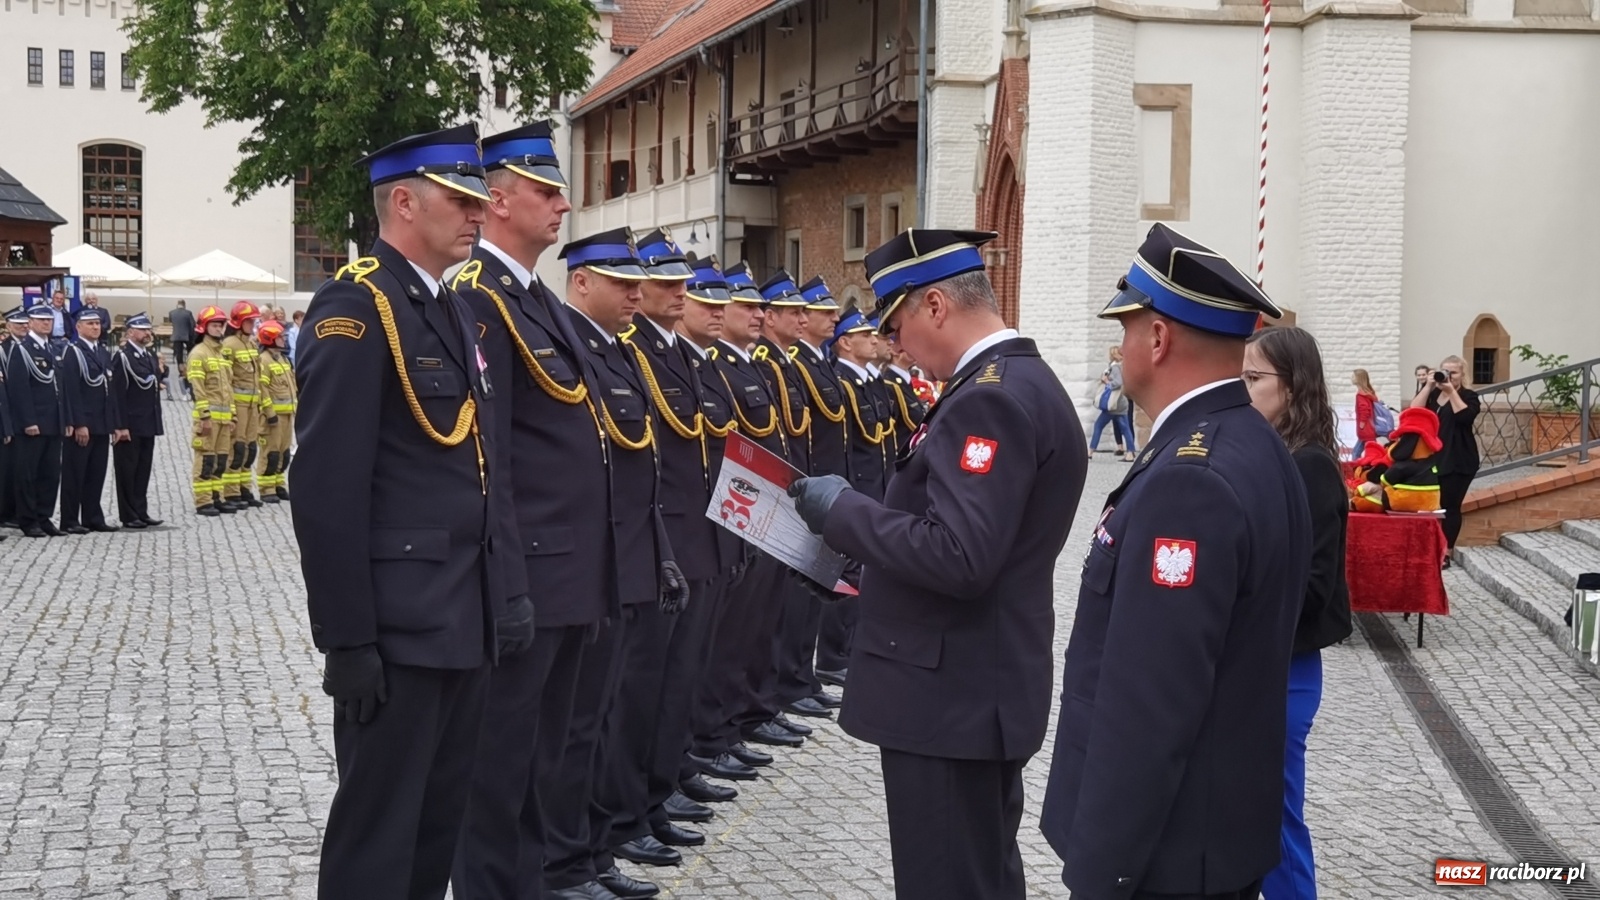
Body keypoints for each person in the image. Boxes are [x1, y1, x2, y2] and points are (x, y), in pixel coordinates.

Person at [787, 229, 1086, 900]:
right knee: (977, 878)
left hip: (953, 694)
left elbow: (960, 555)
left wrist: (845, 513)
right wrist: (861, 570)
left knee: (948, 883)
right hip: (977, 686)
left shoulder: (989, 397)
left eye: (895, 325)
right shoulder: (1022, 382)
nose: (894, 345)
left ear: (935, 305)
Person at [290, 123, 532, 900]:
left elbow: (482, 467)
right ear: (403, 201)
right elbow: (325, 489)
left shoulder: (451, 310)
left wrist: (508, 596)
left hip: (464, 619)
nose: (477, 215)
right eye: (461, 199)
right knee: (377, 841)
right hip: (399, 631)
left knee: (435, 832)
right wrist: (349, 639)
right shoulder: (357, 310)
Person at [1040, 223, 1311, 900]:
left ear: (1157, 338)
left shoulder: (1191, 476)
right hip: (1214, 840)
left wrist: (1104, 872)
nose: (1119, 342)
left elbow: (1150, 705)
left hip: (1169, 858)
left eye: (1126, 325)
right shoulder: (1252, 442)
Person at [447, 122, 629, 900]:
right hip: (531, 579)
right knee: (498, 773)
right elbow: (490, 459)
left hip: (571, 577)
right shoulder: (478, 298)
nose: (564, 205)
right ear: (497, 198)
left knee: (541, 764)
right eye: (547, 191)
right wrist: (509, 582)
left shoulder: (537, 302)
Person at [543, 228, 688, 894]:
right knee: (575, 728)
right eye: (623, 283)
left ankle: (594, 849)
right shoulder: (565, 344)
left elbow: (642, 468)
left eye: (639, 284)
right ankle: (567, 861)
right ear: (580, 282)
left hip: (626, 557)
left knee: (601, 718)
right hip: (585, 564)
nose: (638, 294)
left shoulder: (614, 351)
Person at [621, 230, 741, 868]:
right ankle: (628, 808)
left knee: (679, 677)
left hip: (700, 534)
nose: (676, 294)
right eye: (664, 284)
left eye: (679, 285)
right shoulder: (636, 352)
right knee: (644, 685)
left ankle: (660, 788)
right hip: (665, 537)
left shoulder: (691, 359)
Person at [690, 261, 811, 791]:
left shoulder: (752, 368)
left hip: (764, 511)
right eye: (749, 306)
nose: (755, 314)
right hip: (733, 515)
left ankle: (746, 715)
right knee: (726, 636)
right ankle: (716, 734)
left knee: (756, 625)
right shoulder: (716, 366)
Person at [1244, 326, 1353, 900]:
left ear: (1292, 388)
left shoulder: (1309, 466)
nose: (1244, 389)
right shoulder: (1277, 455)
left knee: (1275, 820)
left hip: (1285, 667)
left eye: (1254, 379)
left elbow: (1311, 585)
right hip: (1263, 663)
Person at [6, 306, 68, 537]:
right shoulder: (22, 350)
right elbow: (19, 390)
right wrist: (28, 421)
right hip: (33, 424)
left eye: (49, 320)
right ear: (30, 322)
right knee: (28, 474)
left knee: (50, 473)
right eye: (41, 320)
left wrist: (64, 420)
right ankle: (28, 519)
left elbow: (58, 388)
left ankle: (44, 517)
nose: (46, 324)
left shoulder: (51, 348)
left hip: (53, 422)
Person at [1411, 355, 1480, 555]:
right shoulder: (1433, 395)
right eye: (1445, 371)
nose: (1449, 376)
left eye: (1454, 372)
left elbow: (1465, 417)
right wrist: (1428, 386)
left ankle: (1446, 552)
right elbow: (1414, 411)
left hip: (1459, 459)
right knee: (1431, 506)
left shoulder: (1468, 396)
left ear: (1462, 374)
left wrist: (1451, 391)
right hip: (1433, 458)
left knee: (1450, 506)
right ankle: (1431, 548)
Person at [58, 312, 119, 534]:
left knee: (96, 472)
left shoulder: (101, 352)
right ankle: (70, 519)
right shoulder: (74, 352)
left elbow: (109, 391)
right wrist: (79, 423)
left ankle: (93, 516)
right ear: (78, 327)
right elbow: (71, 391)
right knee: (75, 473)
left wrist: (113, 424)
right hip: (84, 423)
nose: (96, 327)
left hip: (101, 423)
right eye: (90, 324)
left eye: (97, 323)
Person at [110, 313, 166, 528]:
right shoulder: (123, 357)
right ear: (130, 332)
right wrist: (120, 425)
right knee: (127, 470)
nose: (147, 333)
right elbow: (117, 395)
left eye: (148, 330)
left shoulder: (149, 355)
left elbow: (152, 385)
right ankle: (128, 514)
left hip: (147, 422)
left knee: (143, 469)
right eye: (142, 330)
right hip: (130, 424)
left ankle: (140, 510)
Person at [187, 305, 235, 516]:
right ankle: (203, 501)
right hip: (208, 419)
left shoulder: (221, 354)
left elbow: (229, 388)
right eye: (214, 325)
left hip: (224, 419)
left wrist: (233, 415)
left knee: (221, 460)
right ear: (204, 328)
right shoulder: (199, 354)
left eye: (220, 325)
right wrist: (205, 417)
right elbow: (198, 389)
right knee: (206, 460)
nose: (219, 329)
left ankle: (217, 497)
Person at [221, 301, 268, 508]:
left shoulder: (251, 344)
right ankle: (231, 492)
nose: (253, 325)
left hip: (252, 405)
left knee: (249, 448)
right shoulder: (229, 345)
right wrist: (230, 408)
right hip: (238, 405)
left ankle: (244, 487)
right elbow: (226, 379)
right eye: (250, 321)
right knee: (236, 447)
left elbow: (257, 376)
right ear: (239, 322)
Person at [254, 319, 296, 503]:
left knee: (283, 452)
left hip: (287, 415)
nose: (283, 340)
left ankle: (279, 484)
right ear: (270, 338)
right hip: (272, 417)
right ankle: (266, 488)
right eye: (280, 337)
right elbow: (262, 389)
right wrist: (269, 413)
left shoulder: (283, 359)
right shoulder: (263, 361)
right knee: (270, 453)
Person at [0, 307, 29, 529]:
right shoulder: (4, 350)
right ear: (8, 326)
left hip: (26, 418)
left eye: (25, 323)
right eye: (18, 324)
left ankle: (22, 511)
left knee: (23, 470)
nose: (23, 327)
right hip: (9, 417)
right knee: (8, 470)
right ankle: (6, 512)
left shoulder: (29, 348)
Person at [1089, 346, 1137, 461]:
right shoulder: (1122, 366)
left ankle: (1090, 451)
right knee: (1125, 428)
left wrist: (1107, 382)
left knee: (1098, 425)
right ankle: (1130, 452)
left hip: (1114, 403)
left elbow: (1118, 382)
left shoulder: (1115, 367)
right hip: (1121, 402)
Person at [169, 301, 196, 396]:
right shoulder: (188, 313)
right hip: (187, 336)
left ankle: (180, 370)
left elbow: (171, 322)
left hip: (176, 336)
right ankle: (189, 367)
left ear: (177, 305)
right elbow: (192, 325)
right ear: (184, 305)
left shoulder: (171, 313)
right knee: (190, 352)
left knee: (179, 354)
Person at [1352, 368, 1381, 458]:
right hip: (1370, 428)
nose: (1351, 378)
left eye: (1353, 376)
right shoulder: (1368, 393)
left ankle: (1354, 468)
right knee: (1371, 450)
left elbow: (1364, 409)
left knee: (1356, 453)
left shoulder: (1361, 395)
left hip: (1365, 429)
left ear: (1359, 378)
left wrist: (1362, 423)